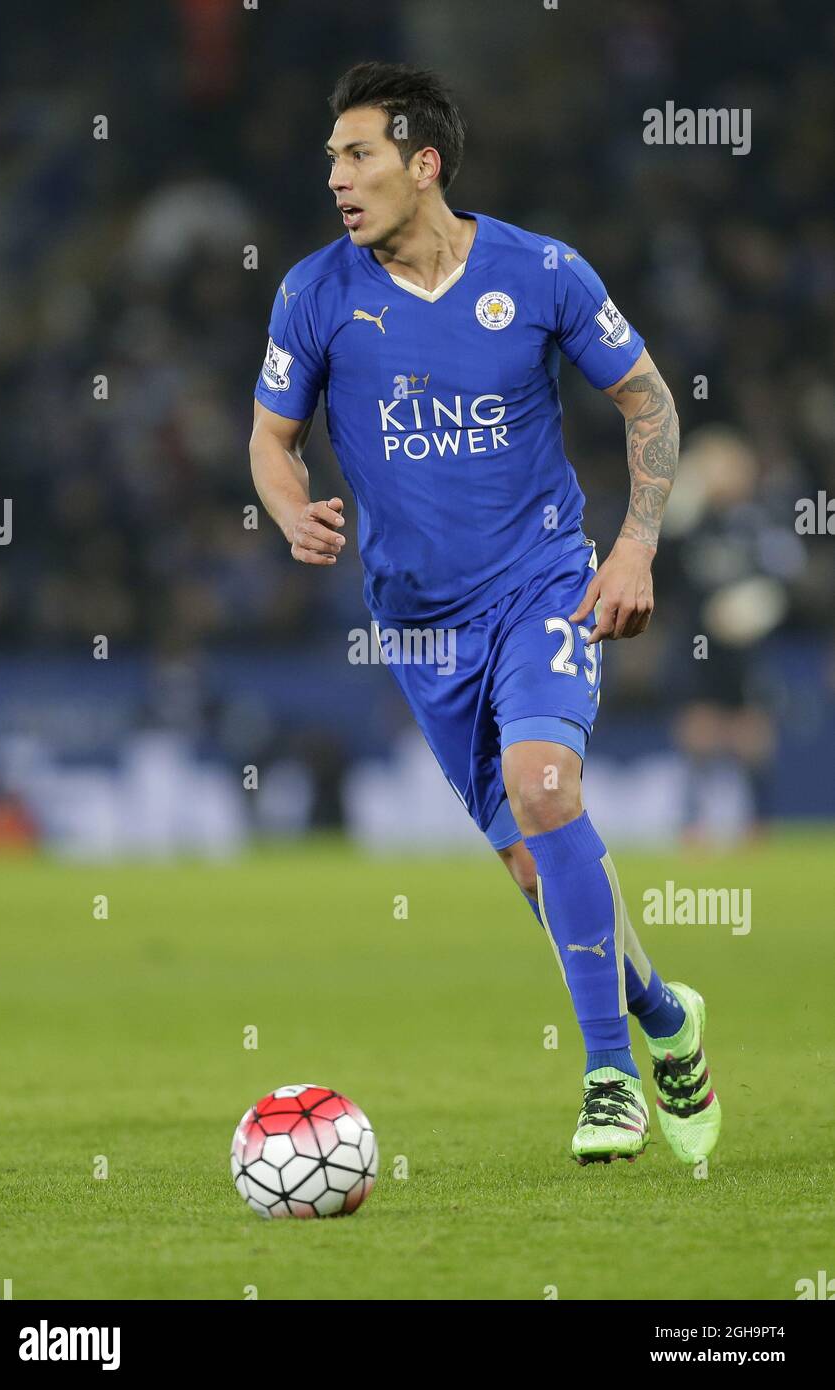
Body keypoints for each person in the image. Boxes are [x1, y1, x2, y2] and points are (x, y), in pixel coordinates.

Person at [249, 61, 720, 1166]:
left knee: (544, 785)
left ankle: (610, 1076)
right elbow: (269, 441)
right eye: (329, 159)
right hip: (419, 624)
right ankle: (665, 1019)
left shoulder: (540, 270)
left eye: (356, 154)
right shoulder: (315, 294)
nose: (336, 178)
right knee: (531, 860)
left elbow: (645, 397)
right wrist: (285, 514)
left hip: (542, 583)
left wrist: (634, 546)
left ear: (424, 165)